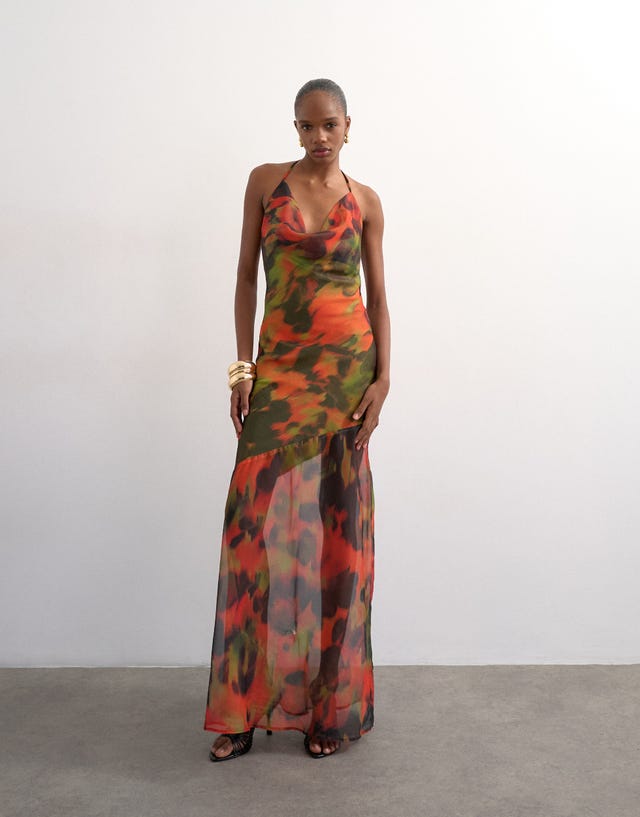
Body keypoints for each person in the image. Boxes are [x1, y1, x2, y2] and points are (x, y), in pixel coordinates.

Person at [203, 78, 391, 761]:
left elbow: (377, 296)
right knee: (247, 527)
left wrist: (383, 381)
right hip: (280, 372)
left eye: (329, 124)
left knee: (339, 533)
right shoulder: (265, 183)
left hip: (345, 374)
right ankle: (240, 709)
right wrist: (242, 370)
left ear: (348, 126)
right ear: (295, 128)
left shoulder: (365, 201)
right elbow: (245, 277)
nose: (318, 136)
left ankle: (327, 706)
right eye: (307, 126)